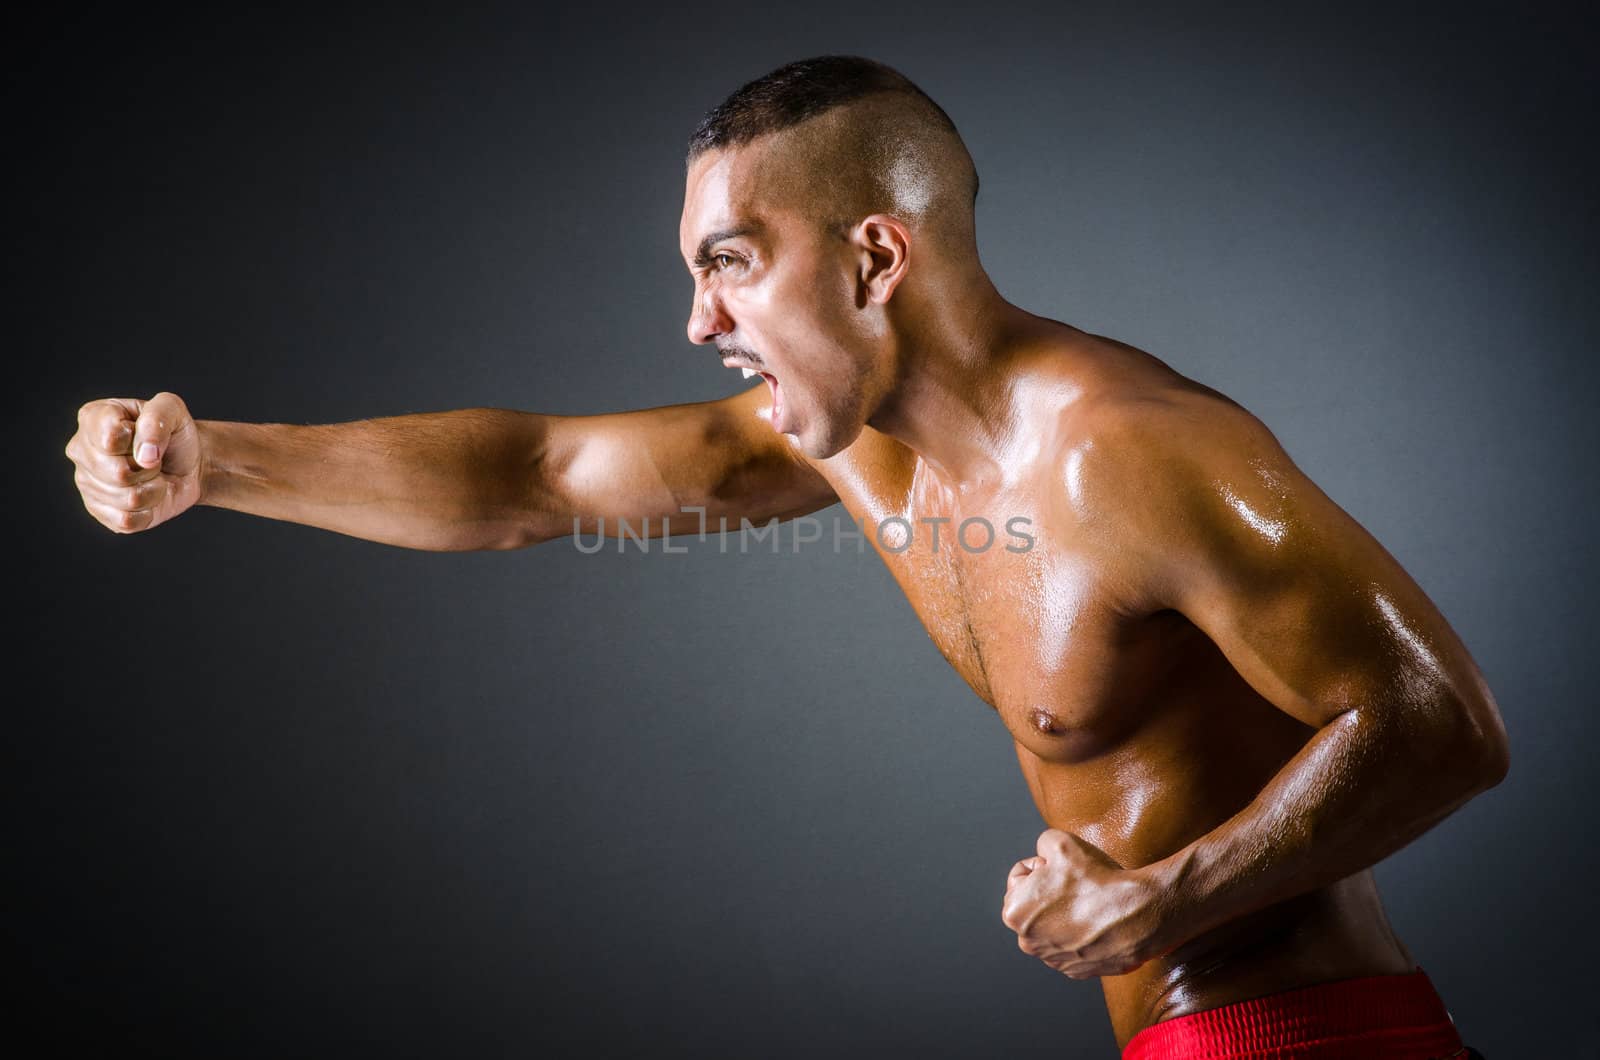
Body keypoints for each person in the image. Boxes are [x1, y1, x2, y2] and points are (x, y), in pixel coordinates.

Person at [64, 56, 1505, 1058]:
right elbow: (537, 475)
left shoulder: (1131, 453)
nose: (700, 322)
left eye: (731, 262)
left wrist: (1165, 899)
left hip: (1301, 1041)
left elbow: (1445, 725)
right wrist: (219, 463)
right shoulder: (850, 438)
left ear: (876, 261)